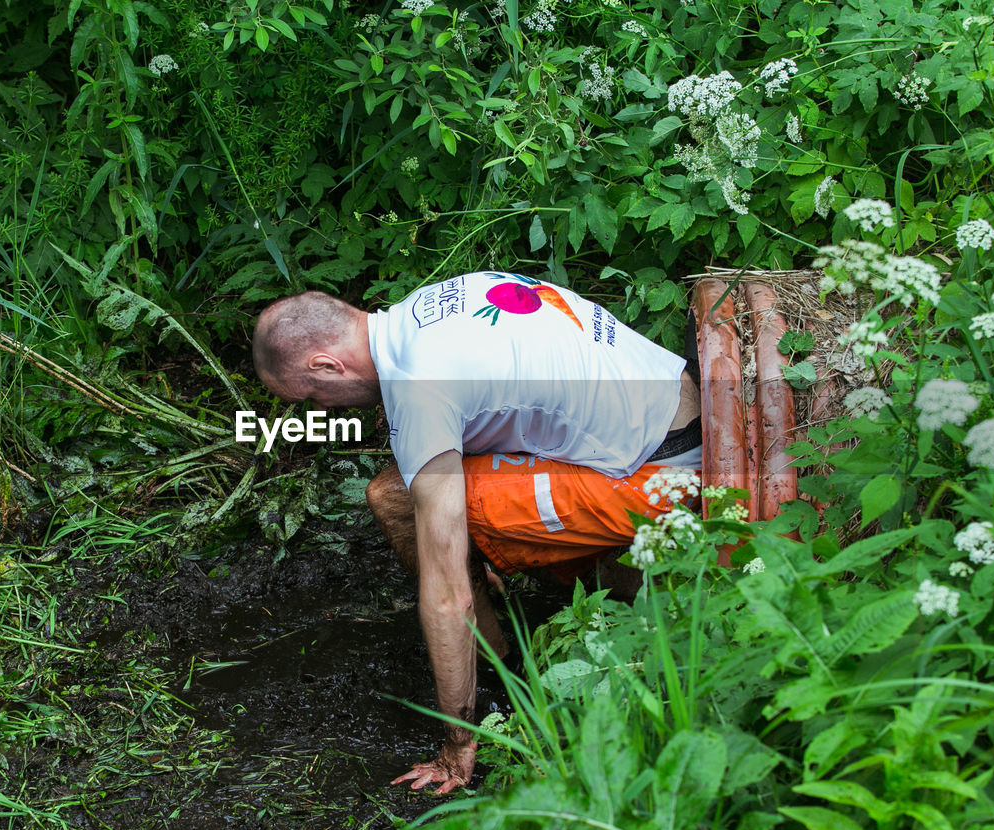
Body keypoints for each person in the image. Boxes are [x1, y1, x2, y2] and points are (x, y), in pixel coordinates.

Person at [251, 271, 702, 794]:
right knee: (406, 492)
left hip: (657, 474)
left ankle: (497, 687)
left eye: (311, 398)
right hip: (672, 406)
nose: (321, 412)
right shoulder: (424, 306)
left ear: (327, 365)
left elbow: (446, 600)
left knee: (402, 504)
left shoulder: (416, 390)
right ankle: (565, 586)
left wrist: (456, 741)